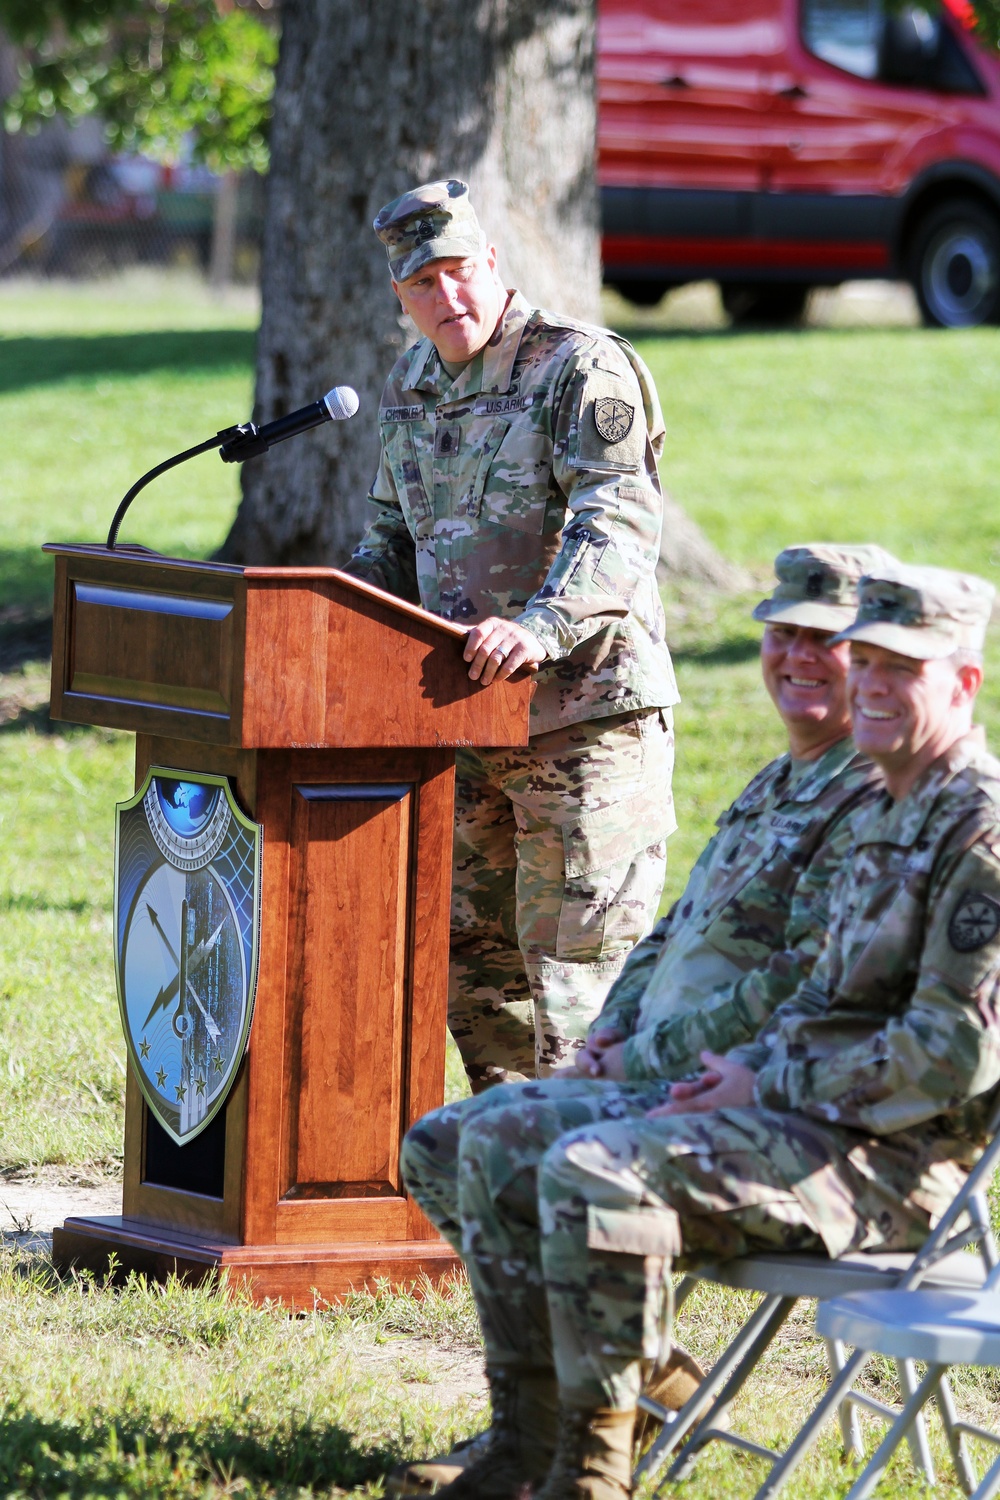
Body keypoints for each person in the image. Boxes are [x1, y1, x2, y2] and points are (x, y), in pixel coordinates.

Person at [399, 559, 1000, 1500]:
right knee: (477, 1143)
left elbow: (952, 1055)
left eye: (898, 669)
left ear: (963, 683)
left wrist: (765, 1078)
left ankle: (592, 1476)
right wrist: (693, 1056)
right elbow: (808, 992)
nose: (871, 684)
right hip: (808, 1120)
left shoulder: (977, 832)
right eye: (868, 661)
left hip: (894, 1167)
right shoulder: (895, 804)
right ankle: (539, 1448)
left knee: (590, 1168)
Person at [343, 179, 678, 1089]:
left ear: (491, 263)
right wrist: (321, 619)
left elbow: (617, 525)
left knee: (580, 988)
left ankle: (598, 1199)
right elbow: (391, 541)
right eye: (422, 285)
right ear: (399, 298)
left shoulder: (580, 368)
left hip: (585, 720)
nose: (446, 297)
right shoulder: (412, 385)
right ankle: (510, 1189)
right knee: (473, 979)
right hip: (466, 726)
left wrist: (541, 624)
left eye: (458, 271)